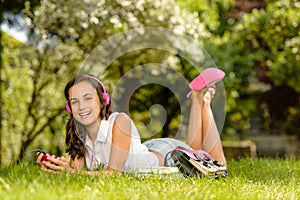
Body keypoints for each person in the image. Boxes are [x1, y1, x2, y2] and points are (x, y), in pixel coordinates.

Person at [37, 68, 227, 175]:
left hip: (165, 153)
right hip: (147, 149)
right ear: (69, 108)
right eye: (75, 102)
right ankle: (199, 95)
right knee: (195, 148)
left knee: (217, 164)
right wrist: (58, 167)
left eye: (88, 98)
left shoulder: (119, 122)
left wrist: (72, 173)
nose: (81, 106)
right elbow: (76, 173)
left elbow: (113, 174)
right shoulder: (80, 136)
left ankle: (202, 100)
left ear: (103, 100)